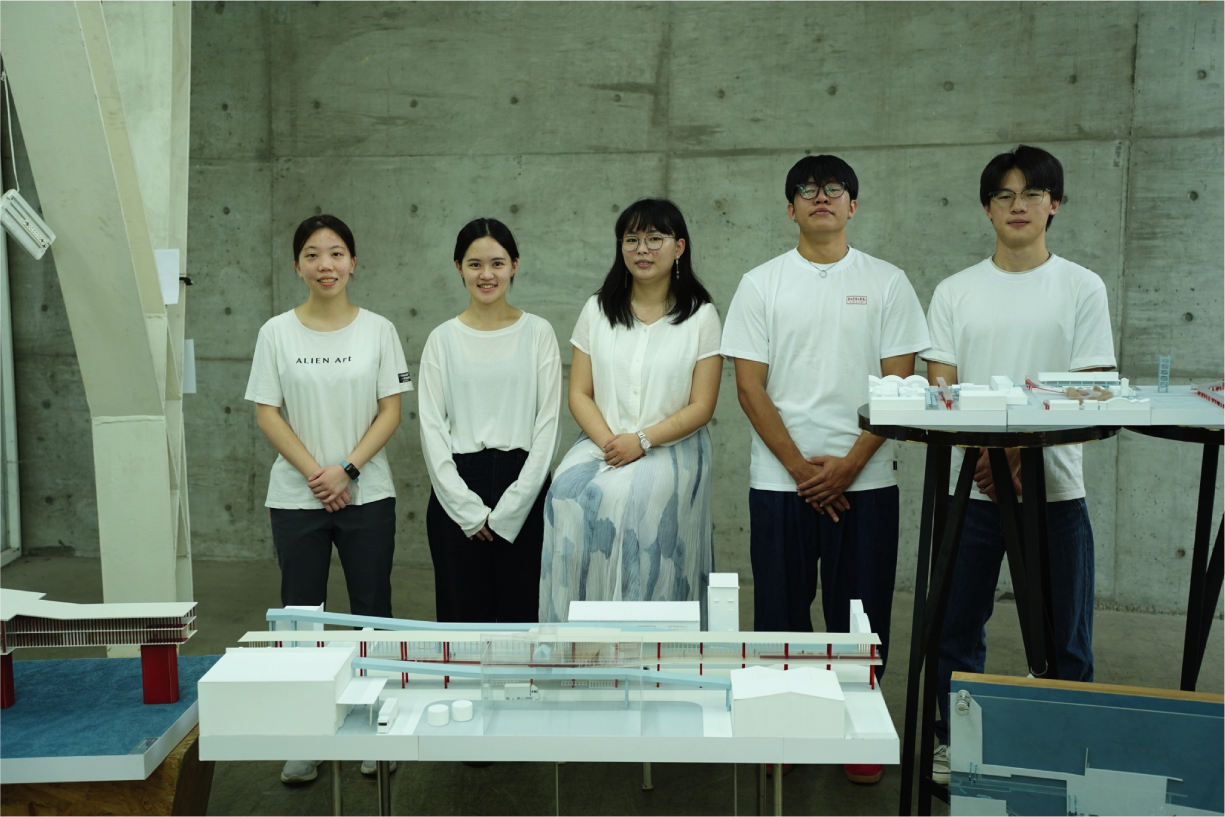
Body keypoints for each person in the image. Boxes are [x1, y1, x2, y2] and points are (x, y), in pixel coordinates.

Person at [721, 155, 929, 785]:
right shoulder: (760, 284)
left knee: (860, 610)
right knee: (780, 607)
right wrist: (803, 471)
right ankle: (785, 722)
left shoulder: (888, 282)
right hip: (778, 480)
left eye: (834, 189)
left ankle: (858, 724)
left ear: (852, 205)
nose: (821, 197)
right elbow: (749, 388)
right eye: (807, 190)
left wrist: (848, 467)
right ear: (790, 208)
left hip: (866, 477)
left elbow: (900, 387)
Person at [923, 145, 1116, 783]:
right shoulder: (955, 292)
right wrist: (988, 456)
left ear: (1053, 204)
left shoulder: (1082, 286)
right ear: (987, 208)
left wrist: (1013, 452)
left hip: (1055, 493)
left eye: (1032, 193)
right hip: (974, 492)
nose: (1018, 205)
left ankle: (1067, 754)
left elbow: (1092, 387)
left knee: (1065, 637)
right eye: (1004, 195)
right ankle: (956, 744)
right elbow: (943, 390)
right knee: (955, 630)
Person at [245, 214, 413, 783]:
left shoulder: (379, 330)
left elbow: (390, 410)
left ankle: (375, 723)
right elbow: (268, 413)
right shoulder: (276, 332)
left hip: (368, 493)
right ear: (297, 266)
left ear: (353, 262)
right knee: (301, 617)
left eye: (337, 253)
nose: (326, 265)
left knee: (372, 610)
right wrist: (319, 475)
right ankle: (307, 733)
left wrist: (347, 470)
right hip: (297, 497)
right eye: (313, 255)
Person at [539, 198, 722, 625]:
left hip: (672, 445)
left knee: (632, 498)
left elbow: (702, 406)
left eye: (655, 239)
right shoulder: (597, 309)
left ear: (679, 247)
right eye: (632, 239)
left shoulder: (701, 316)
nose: (642, 249)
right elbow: (579, 393)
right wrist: (612, 443)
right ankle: (577, 637)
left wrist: (641, 440)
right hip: (604, 439)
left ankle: (642, 636)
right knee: (563, 491)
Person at [419, 218, 562, 624]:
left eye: (497, 263)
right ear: (458, 267)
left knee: (523, 621)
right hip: (457, 488)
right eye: (475, 264)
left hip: (526, 486)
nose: (486, 274)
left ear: (514, 265)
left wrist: (512, 508)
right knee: (461, 622)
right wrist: (466, 509)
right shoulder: (442, 339)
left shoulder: (538, 332)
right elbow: (432, 429)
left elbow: (548, 424)